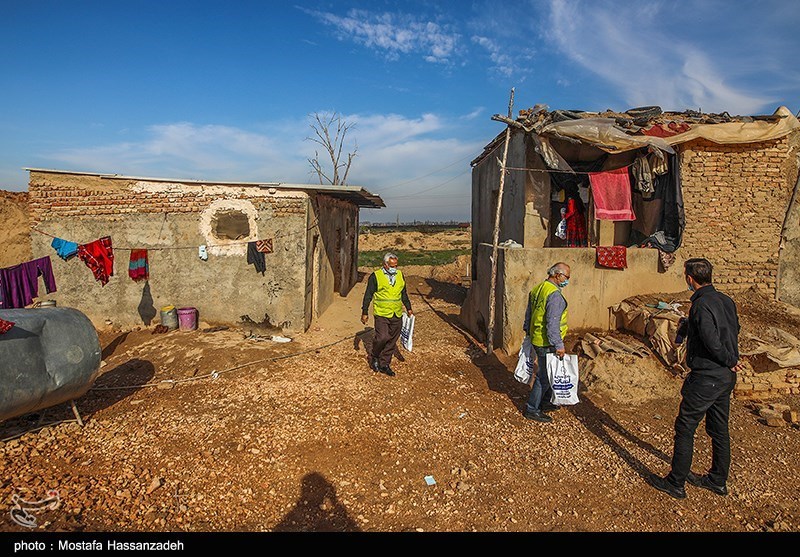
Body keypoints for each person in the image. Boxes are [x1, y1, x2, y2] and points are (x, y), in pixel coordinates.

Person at [649, 258, 744, 499]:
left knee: (685, 428)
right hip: (724, 378)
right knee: (719, 429)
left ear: (690, 278)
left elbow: (712, 340)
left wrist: (729, 359)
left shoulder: (701, 305)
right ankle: (717, 480)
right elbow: (733, 329)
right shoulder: (725, 300)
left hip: (707, 377)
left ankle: (676, 482)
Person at [522, 262, 571, 423]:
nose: (567, 280)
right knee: (544, 376)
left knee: (550, 373)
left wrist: (528, 332)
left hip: (537, 337)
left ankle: (545, 402)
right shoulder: (554, 295)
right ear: (558, 275)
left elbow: (529, 313)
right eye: (567, 277)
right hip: (547, 342)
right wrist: (558, 345)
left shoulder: (538, 289)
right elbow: (552, 322)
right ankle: (532, 409)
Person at [361, 252, 413, 377]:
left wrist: (409, 308)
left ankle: (384, 364)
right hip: (382, 313)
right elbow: (368, 295)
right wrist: (365, 312)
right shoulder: (376, 276)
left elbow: (403, 293)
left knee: (392, 340)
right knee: (382, 337)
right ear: (385, 265)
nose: (394, 268)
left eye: (395, 265)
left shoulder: (400, 275)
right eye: (391, 265)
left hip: (396, 313)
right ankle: (375, 356)